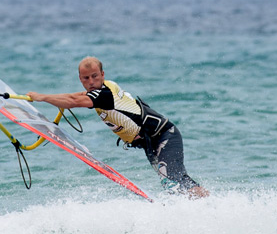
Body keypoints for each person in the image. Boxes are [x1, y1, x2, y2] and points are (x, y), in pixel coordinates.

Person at [27, 56, 209, 199]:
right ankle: (205, 205)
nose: (91, 81)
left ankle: (201, 208)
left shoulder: (105, 94)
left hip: (164, 136)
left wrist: (41, 97)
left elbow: (74, 101)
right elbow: (73, 96)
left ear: (102, 74)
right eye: (86, 78)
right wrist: (47, 97)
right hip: (151, 141)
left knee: (172, 182)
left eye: (95, 76)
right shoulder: (103, 88)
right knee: (177, 181)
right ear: (80, 79)